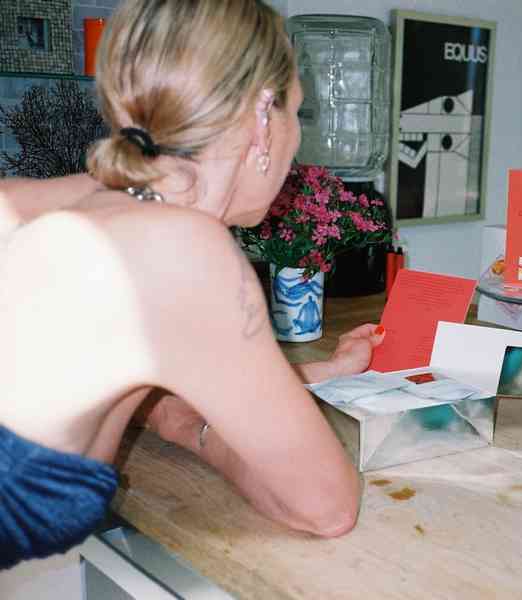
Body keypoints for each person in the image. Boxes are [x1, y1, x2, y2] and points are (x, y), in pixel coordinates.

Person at [0, 0, 383, 569]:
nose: (297, 144)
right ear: (262, 117)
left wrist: (321, 372)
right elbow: (327, 506)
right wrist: (191, 428)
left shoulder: (48, 200)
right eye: (298, 113)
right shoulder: (184, 251)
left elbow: (130, 357)